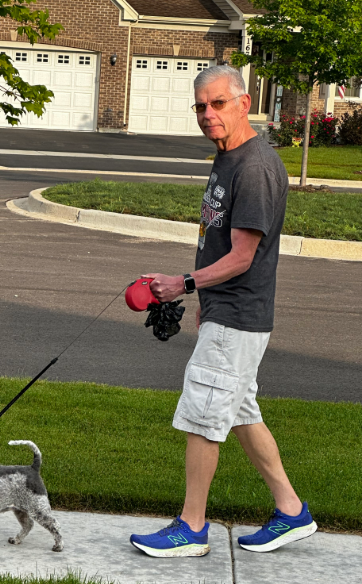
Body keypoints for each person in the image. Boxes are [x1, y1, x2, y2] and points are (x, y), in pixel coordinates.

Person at [129, 65, 317, 558]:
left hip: (238, 315)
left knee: (201, 416)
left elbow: (241, 256)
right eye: (200, 106)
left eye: (217, 104)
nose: (207, 114)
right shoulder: (228, 157)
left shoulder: (254, 167)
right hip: (226, 310)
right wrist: (203, 303)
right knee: (238, 413)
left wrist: (183, 284)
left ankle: (191, 529)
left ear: (243, 102)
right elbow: (219, 244)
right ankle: (292, 511)